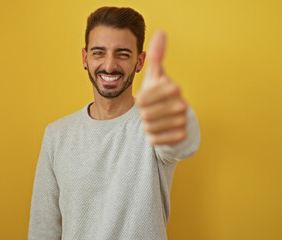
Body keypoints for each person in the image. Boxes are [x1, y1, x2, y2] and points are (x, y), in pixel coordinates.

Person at [28, 6, 201, 240]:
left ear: (140, 62)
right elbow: (43, 229)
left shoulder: (153, 125)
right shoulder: (57, 135)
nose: (109, 66)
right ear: (85, 58)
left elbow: (184, 144)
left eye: (122, 54)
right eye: (99, 52)